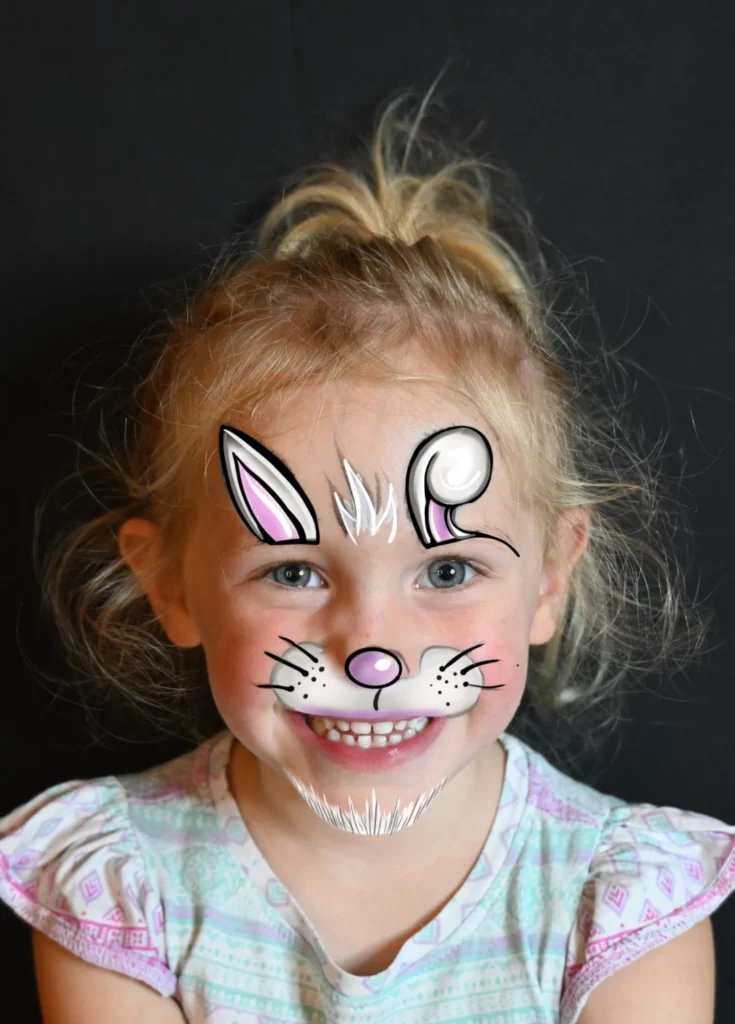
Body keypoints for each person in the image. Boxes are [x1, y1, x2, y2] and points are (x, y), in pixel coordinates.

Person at [1, 93, 733, 1024]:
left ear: (550, 577)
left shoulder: (622, 905)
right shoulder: (118, 887)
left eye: (448, 571)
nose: (373, 651)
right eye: (294, 572)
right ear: (170, 586)